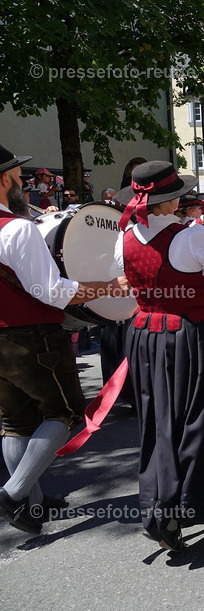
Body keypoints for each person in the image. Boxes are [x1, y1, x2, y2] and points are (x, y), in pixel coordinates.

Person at [0, 143, 128, 536]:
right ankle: (12, 494)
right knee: (68, 413)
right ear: (5, 179)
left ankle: (31, 506)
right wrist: (108, 286)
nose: (23, 180)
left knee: (16, 423)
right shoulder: (17, 228)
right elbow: (52, 291)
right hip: (32, 337)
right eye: (18, 174)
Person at [113, 160, 204, 551]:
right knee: (195, 417)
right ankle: (175, 506)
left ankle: (158, 502)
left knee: (156, 419)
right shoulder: (191, 237)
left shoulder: (125, 237)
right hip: (186, 333)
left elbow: (130, 282)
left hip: (143, 332)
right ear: (169, 202)